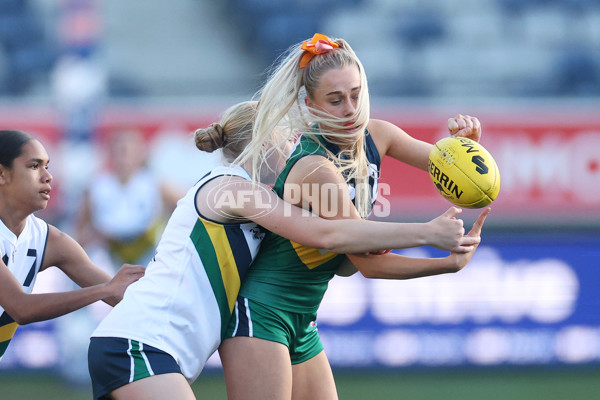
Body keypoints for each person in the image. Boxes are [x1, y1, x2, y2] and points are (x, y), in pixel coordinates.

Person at [87, 101, 482, 400]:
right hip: (137, 345)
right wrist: (427, 233)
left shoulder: (245, 193)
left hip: (147, 346)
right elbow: (329, 236)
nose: (295, 148)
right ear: (265, 142)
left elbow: (341, 259)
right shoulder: (235, 190)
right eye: (287, 139)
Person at [218, 33, 490, 400]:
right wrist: (440, 255)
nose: (350, 109)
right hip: (264, 312)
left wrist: (467, 147)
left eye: (355, 94)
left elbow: (452, 171)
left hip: (302, 319)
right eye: (335, 100)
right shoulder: (315, 167)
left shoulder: (378, 134)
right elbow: (366, 263)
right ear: (310, 105)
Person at [0, 129, 145, 360]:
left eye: (47, 166)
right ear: (2, 174)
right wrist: (104, 290)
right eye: (34, 166)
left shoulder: (51, 240)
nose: (48, 176)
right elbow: (21, 308)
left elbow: (123, 295)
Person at [76, 128, 180, 268]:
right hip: (111, 251)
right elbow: (81, 226)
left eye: (129, 151)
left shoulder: (154, 183)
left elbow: (186, 206)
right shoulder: (98, 186)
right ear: (111, 155)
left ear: (141, 154)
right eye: (120, 151)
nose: (124, 157)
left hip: (147, 250)